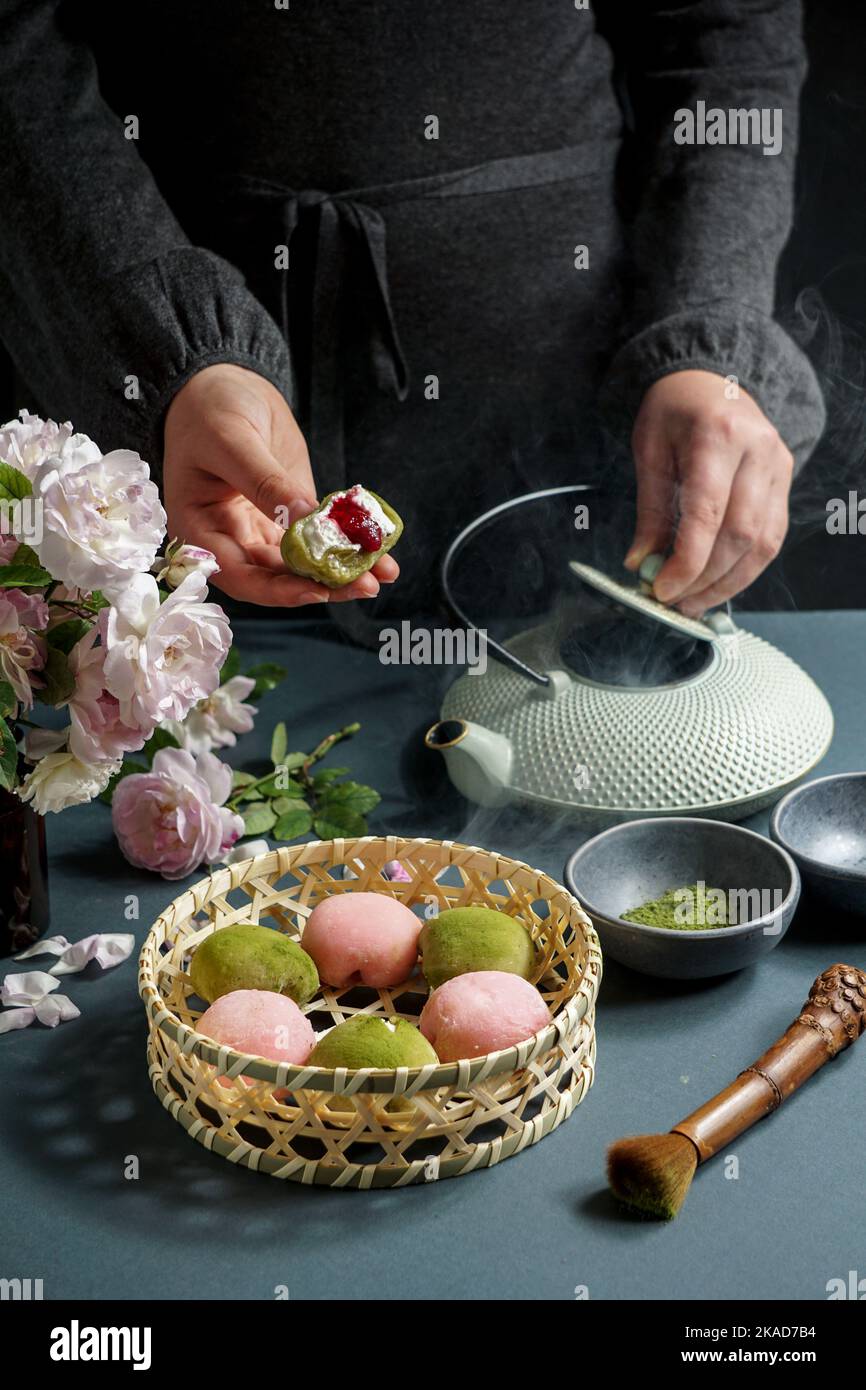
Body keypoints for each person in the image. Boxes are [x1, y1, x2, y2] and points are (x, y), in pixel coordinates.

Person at [0, 0, 824, 637]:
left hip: (565, 414)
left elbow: (728, 33)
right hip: (141, 420)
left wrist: (707, 321)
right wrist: (169, 347)